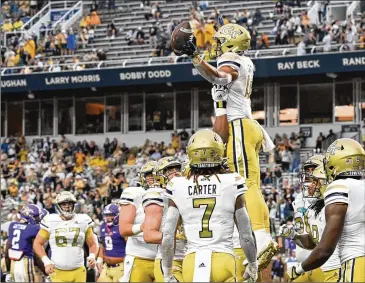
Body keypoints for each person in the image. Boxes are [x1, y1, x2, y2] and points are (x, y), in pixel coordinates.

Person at [180, 23, 277, 270]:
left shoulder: (231, 58)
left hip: (239, 126)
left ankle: (260, 236)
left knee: (245, 182)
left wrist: (195, 56)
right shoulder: (245, 60)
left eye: (220, 41)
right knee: (247, 182)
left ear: (230, 43)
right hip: (244, 124)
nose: (218, 45)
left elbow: (220, 77)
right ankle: (261, 230)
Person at [161, 129, 258, 282]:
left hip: (192, 262)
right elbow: (246, 235)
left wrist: (167, 273)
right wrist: (253, 263)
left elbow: (167, 235)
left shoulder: (177, 184)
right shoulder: (232, 181)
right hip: (223, 259)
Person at [287, 138, 365, 282]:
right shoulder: (361, 186)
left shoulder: (339, 187)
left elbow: (325, 249)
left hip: (354, 261)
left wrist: (298, 269)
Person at [282, 164, 342, 282]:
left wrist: (299, 269)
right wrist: (293, 235)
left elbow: (324, 249)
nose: (310, 185)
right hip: (320, 266)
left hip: (335, 268)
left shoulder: (334, 206)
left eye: (315, 182)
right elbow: (313, 241)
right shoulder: (314, 208)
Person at [33, 191, 98, 282]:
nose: (67, 207)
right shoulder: (50, 220)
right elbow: (37, 243)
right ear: (58, 206)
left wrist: (92, 256)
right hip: (57, 270)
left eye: (70, 204)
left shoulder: (83, 220)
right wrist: (46, 262)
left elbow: (93, 244)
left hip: (78, 270)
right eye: (64, 204)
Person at [279, 154, 325, 282]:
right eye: (307, 173)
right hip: (303, 264)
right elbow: (309, 239)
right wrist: (292, 234)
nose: (309, 180)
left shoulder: (331, 200)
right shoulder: (299, 199)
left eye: (313, 173)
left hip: (324, 265)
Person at [142, 157, 185, 282]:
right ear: (159, 175)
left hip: (192, 257)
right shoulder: (157, 195)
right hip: (170, 260)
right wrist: (177, 235)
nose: (176, 172)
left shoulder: (188, 190)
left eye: (177, 168)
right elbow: (149, 235)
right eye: (169, 170)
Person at [118, 161, 158, 282]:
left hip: (164, 259)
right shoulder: (135, 193)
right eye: (149, 175)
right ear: (143, 177)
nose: (153, 178)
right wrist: (143, 227)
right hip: (139, 257)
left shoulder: (169, 193)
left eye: (156, 174)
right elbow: (124, 229)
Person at [5, 204, 42, 282]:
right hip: (26, 262)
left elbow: (6, 251)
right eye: (36, 216)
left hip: (13, 264)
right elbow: (37, 253)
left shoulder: (12, 225)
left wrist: (7, 271)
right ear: (30, 216)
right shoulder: (33, 228)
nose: (37, 219)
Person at [97, 204, 126, 282]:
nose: (108, 218)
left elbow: (130, 246)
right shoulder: (103, 226)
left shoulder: (122, 226)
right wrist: (99, 259)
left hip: (121, 267)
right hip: (106, 267)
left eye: (110, 215)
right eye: (106, 215)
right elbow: (102, 245)